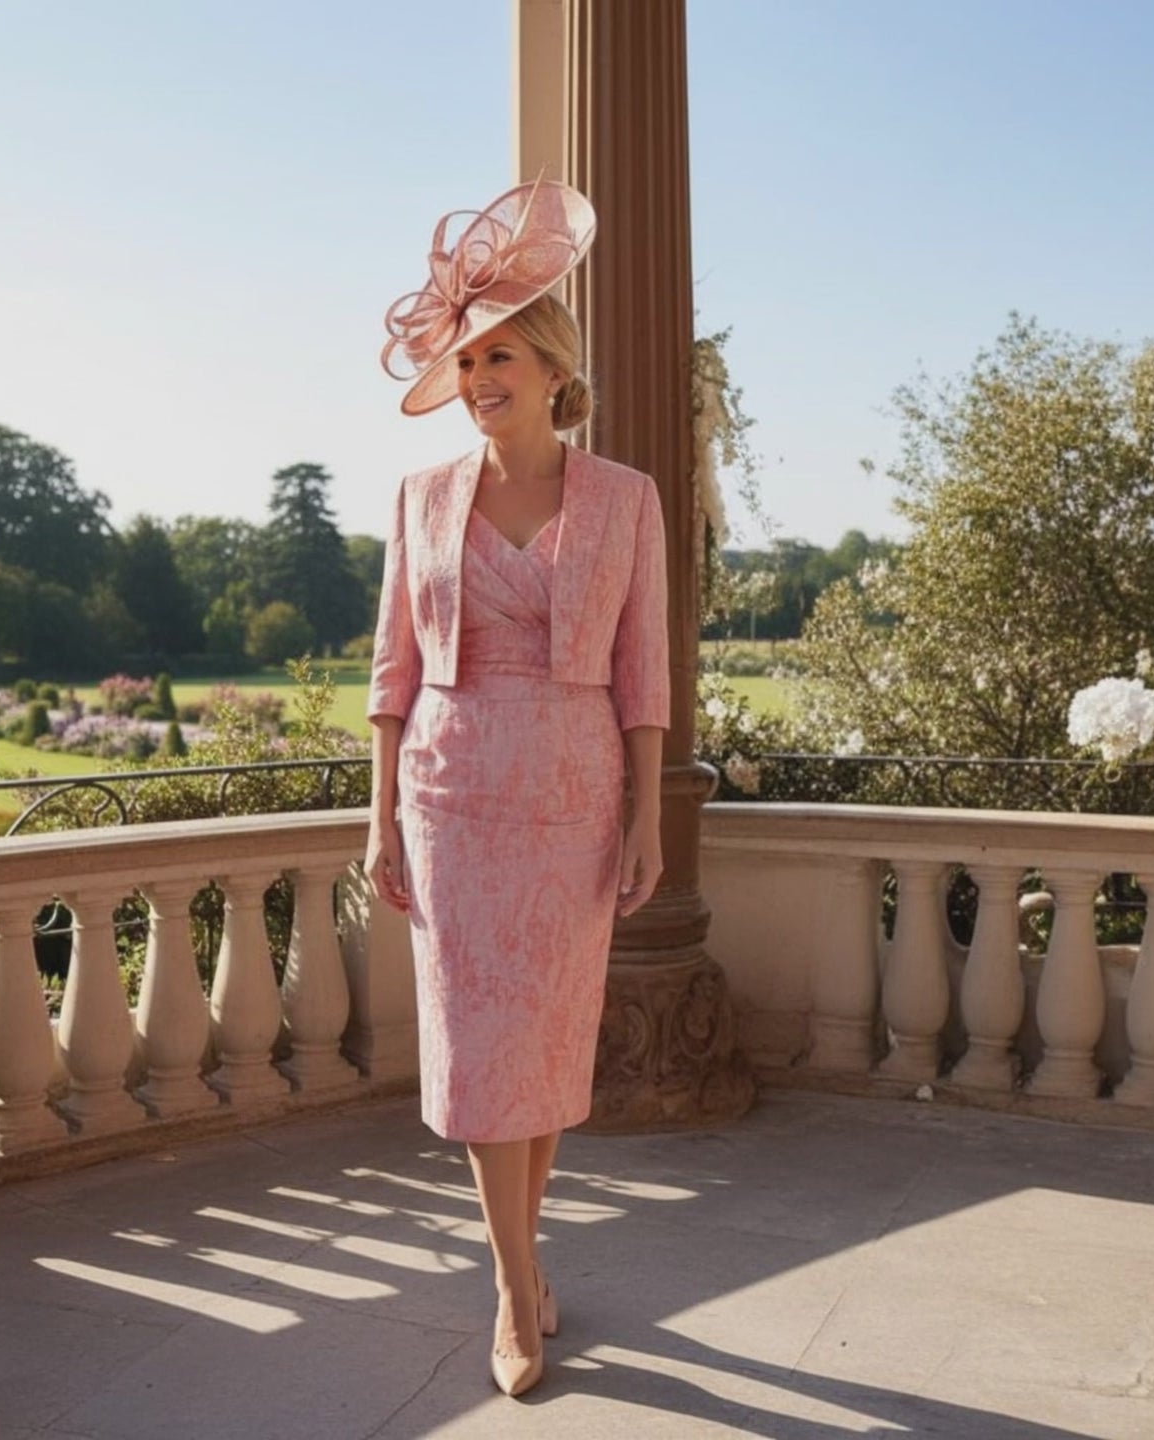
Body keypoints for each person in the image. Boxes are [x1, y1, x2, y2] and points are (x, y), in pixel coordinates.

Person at [364, 177, 670, 1399]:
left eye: (500, 355)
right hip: (449, 800)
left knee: (540, 1050)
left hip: (574, 801)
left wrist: (649, 815)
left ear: (551, 368)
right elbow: (391, 669)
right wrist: (376, 809)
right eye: (467, 358)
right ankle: (512, 1282)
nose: (483, 376)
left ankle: (522, 1260)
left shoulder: (626, 498)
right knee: (485, 1054)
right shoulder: (421, 499)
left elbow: (644, 671)